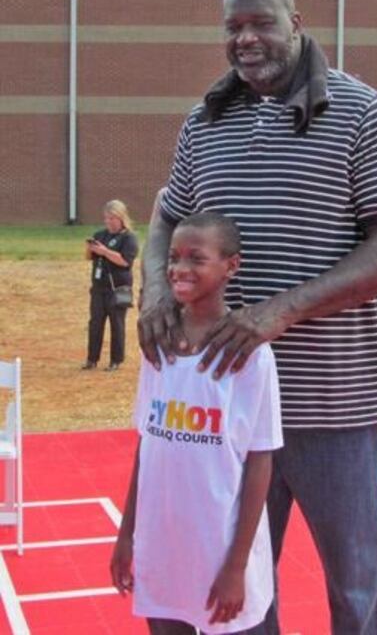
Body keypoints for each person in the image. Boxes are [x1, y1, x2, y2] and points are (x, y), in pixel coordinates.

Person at [138, 0, 377, 634]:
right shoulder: (203, 121)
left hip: (331, 404)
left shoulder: (361, 111)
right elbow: (164, 216)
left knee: (356, 588)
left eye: (261, 22)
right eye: (233, 27)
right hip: (226, 406)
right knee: (235, 591)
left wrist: (283, 311)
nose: (246, 39)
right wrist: (154, 290)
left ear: (296, 23)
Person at [111, 211, 283, 634]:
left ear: (231, 266)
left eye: (196, 258)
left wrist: (237, 566)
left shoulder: (249, 354)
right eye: (174, 257)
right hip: (163, 546)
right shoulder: (159, 343)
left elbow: (260, 461)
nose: (180, 269)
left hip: (220, 550)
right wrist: (127, 535)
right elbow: (146, 448)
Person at [82, 199, 139, 371]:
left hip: (118, 288)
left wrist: (105, 252)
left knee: (117, 324)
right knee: (95, 323)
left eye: (112, 218)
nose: (108, 222)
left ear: (121, 218)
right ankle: (92, 359)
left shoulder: (129, 238)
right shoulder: (100, 235)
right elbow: (89, 257)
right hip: (99, 287)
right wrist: (90, 248)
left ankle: (116, 360)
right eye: (106, 218)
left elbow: (124, 261)